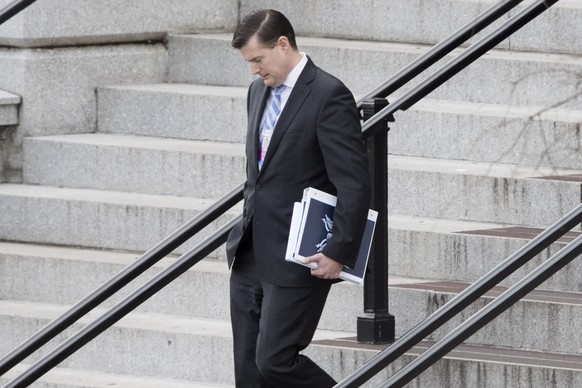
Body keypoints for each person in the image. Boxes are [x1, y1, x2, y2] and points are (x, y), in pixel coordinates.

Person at [226, 9, 371, 387]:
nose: (254, 70)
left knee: (275, 362)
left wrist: (339, 250)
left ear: (283, 44)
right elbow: (259, 176)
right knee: (249, 372)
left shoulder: (328, 95)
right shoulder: (257, 91)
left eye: (257, 59)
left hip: (298, 256)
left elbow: (353, 183)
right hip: (249, 252)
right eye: (248, 62)